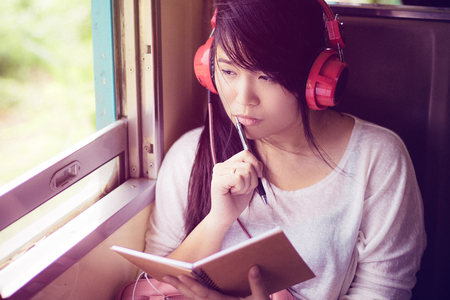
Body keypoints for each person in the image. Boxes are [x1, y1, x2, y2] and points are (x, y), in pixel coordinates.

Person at [144, 0, 426, 299]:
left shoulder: (378, 158)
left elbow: (383, 292)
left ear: (317, 78)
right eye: (228, 71)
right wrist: (216, 221)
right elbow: (146, 290)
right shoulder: (189, 155)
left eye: (266, 76)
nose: (243, 99)